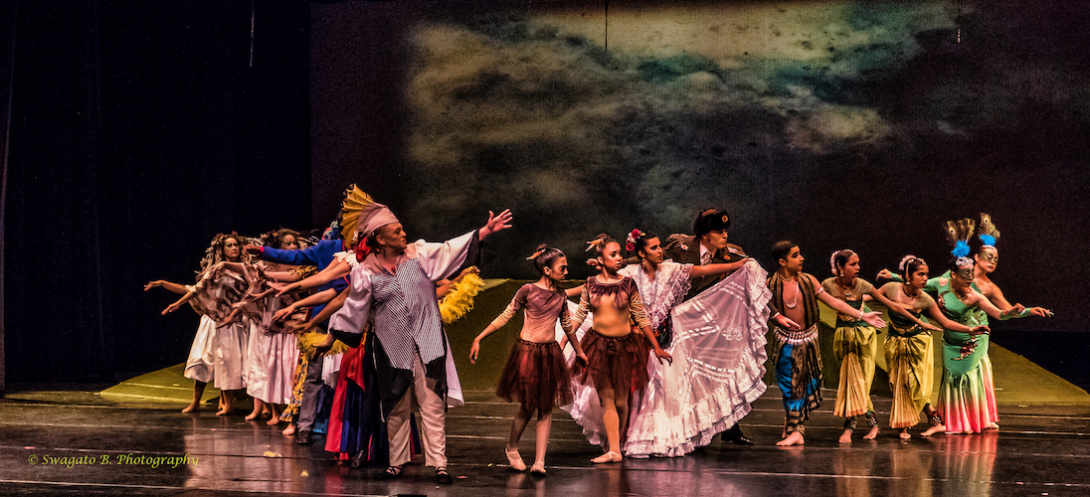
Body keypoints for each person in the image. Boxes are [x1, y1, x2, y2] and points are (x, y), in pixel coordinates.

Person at [327, 189, 513, 485]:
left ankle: (439, 463)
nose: (404, 233)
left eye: (402, 229)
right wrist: (329, 338)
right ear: (380, 238)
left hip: (426, 342)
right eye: (397, 231)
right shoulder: (366, 271)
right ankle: (397, 462)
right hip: (391, 346)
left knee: (432, 405)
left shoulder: (419, 254)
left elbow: (450, 249)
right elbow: (354, 309)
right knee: (397, 406)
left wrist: (485, 231)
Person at [617, 229, 769, 457]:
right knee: (640, 391)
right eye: (654, 248)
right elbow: (603, 287)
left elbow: (703, 270)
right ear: (641, 253)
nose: (660, 252)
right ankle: (634, 437)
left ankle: (663, 438)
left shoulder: (670, 270)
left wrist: (736, 266)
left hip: (665, 338)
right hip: (637, 341)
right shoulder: (629, 273)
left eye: (660, 246)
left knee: (663, 390)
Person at [663, 208, 799, 445]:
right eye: (718, 231)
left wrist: (775, 316)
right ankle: (687, 430)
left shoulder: (734, 254)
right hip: (681, 323)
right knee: (685, 378)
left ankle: (730, 427)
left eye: (726, 230)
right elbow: (652, 264)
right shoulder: (681, 247)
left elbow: (754, 287)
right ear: (705, 234)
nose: (724, 235)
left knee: (724, 373)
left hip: (713, 326)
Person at [470, 245, 588, 475]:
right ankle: (512, 448)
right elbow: (506, 314)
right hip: (527, 353)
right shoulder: (527, 290)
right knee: (528, 406)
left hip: (549, 353)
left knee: (546, 408)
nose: (566, 272)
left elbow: (566, 325)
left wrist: (579, 350)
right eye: (562, 268)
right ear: (546, 270)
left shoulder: (561, 295)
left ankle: (540, 461)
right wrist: (479, 337)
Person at [767, 241, 886, 446]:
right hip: (785, 339)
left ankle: (796, 427)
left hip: (809, 340)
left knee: (804, 385)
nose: (802, 258)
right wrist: (777, 316)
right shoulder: (771, 284)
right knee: (790, 384)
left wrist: (861, 315)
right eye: (796, 255)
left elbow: (835, 303)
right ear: (782, 261)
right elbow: (760, 301)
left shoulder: (809, 280)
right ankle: (796, 428)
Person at [569, 235, 672, 463]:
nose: (619, 258)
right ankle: (614, 450)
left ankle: (619, 441)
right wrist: (565, 340)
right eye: (613, 254)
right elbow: (579, 316)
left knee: (621, 402)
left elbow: (641, 316)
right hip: (598, 347)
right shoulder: (590, 284)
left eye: (619, 254)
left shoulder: (628, 284)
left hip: (625, 347)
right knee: (607, 399)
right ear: (601, 259)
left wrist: (656, 347)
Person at [822, 249, 938, 443]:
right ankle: (927, 417)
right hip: (846, 337)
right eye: (853, 264)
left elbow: (892, 304)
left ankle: (861, 426)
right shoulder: (828, 285)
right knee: (854, 381)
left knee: (865, 382)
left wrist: (921, 323)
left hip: (872, 336)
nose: (858, 267)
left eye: (858, 263)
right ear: (839, 268)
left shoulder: (865, 285)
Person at [877, 255, 985, 439]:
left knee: (916, 384)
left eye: (927, 274)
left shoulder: (926, 299)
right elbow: (869, 295)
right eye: (920, 274)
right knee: (898, 383)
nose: (925, 278)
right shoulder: (891, 288)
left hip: (917, 342)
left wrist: (970, 329)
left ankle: (925, 419)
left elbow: (945, 322)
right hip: (895, 341)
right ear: (908, 276)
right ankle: (908, 424)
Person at [162, 233, 253, 416]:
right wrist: (178, 303)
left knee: (227, 362)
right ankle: (196, 401)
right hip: (212, 321)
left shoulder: (246, 270)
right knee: (201, 360)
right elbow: (197, 289)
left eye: (236, 245)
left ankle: (227, 403)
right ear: (222, 249)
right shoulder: (215, 270)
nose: (234, 248)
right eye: (229, 245)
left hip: (231, 322)